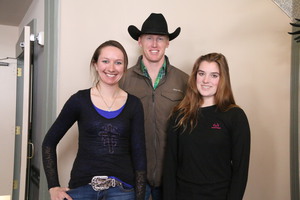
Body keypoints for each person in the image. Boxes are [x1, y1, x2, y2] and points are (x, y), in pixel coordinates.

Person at [42, 40, 147, 200]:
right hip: (83, 189)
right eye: (105, 61)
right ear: (95, 64)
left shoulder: (134, 104)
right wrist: (53, 186)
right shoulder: (79, 100)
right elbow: (49, 143)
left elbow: (139, 155)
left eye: (118, 63)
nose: (111, 68)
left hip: (122, 191)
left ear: (124, 68)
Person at [119, 13, 189, 200]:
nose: (154, 44)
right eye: (149, 38)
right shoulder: (123, 79)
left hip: (172, 176)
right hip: (133, 175)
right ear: (140, 41)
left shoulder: (184, 80)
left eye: (160, 39)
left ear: (168, 42)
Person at [163, 53, 251, 200]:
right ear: (195, 76)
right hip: (183, 195)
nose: (206, 80)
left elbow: (240, 170)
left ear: (223, 79)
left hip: (219, 195)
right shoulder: (179, 115)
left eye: (214, 75)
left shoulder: (235, 116)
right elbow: (170, 165)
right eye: (201, 73)